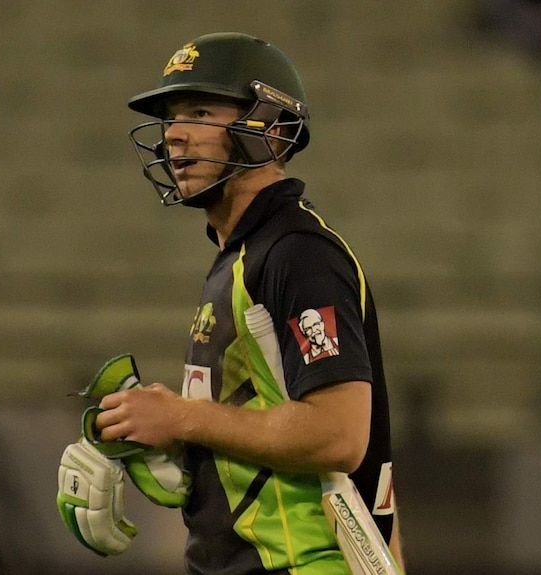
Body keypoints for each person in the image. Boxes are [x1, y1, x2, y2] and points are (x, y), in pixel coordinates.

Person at [93, 32, 403, 574]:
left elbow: (340, 436)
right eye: (170, 119)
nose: (175, 137)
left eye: (201, 111)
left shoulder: (296, 253)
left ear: (274, 130)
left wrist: (185, 419)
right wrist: (162, 441)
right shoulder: (240, 255)